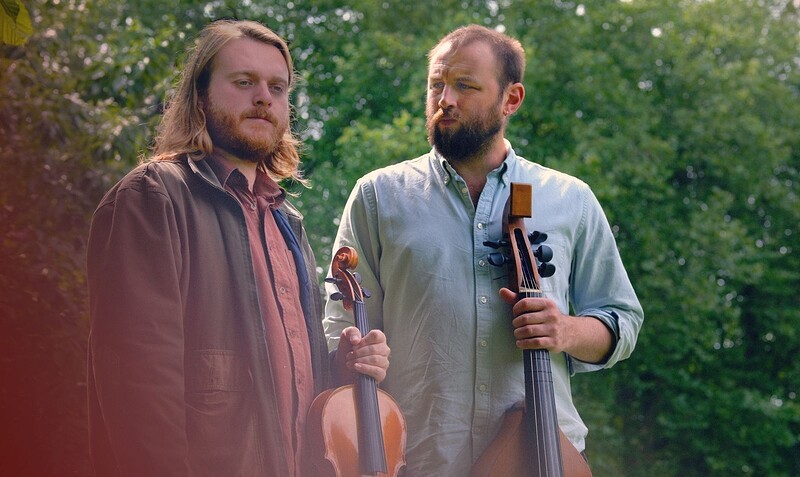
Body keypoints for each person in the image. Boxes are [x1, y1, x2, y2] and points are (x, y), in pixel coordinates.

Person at [323, 24, 644, 476]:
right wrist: (351, 353)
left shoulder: (570, 199)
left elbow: (622, 320)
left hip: (539, 459)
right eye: (437, 84)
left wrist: (566, 331)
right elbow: (339, 327)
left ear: (511, 99)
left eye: (465, 87)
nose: (444, 100)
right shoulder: (378, 196)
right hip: (416, 460)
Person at [86, 19, 390, 477]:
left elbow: (282, 380)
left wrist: (339, 368)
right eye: (244, 82)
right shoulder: (154, 197)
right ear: (200, 96)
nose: (264, 97)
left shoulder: (288, 222)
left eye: (278, 87)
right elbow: (139, 390)